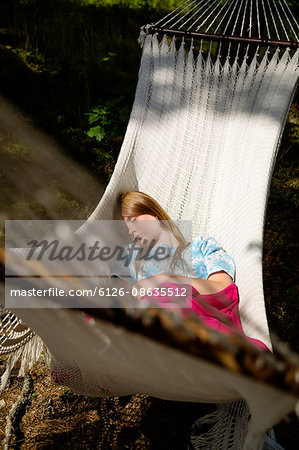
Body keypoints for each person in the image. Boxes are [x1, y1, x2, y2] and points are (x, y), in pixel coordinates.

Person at [111, 191, 269, 351]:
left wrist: (166, 279)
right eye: (125, 230)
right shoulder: (129, 264)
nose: (131, 231)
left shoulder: (202, 246)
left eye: (133, 220)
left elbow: (225, 292)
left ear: (153, 214)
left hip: (211, 330)